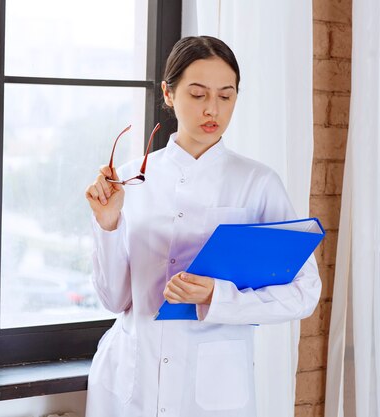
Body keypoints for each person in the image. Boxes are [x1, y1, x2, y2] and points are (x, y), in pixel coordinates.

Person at [83, 36, 321, 417]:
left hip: (214, 388)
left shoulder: (258, 183)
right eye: (197, 94)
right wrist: (108, 225)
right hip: (130, 378)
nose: (213, 109)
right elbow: (115, 300)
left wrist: (217, 296)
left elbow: (305, 293)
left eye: (226, 97)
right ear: (169, 93)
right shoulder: (127, 181)